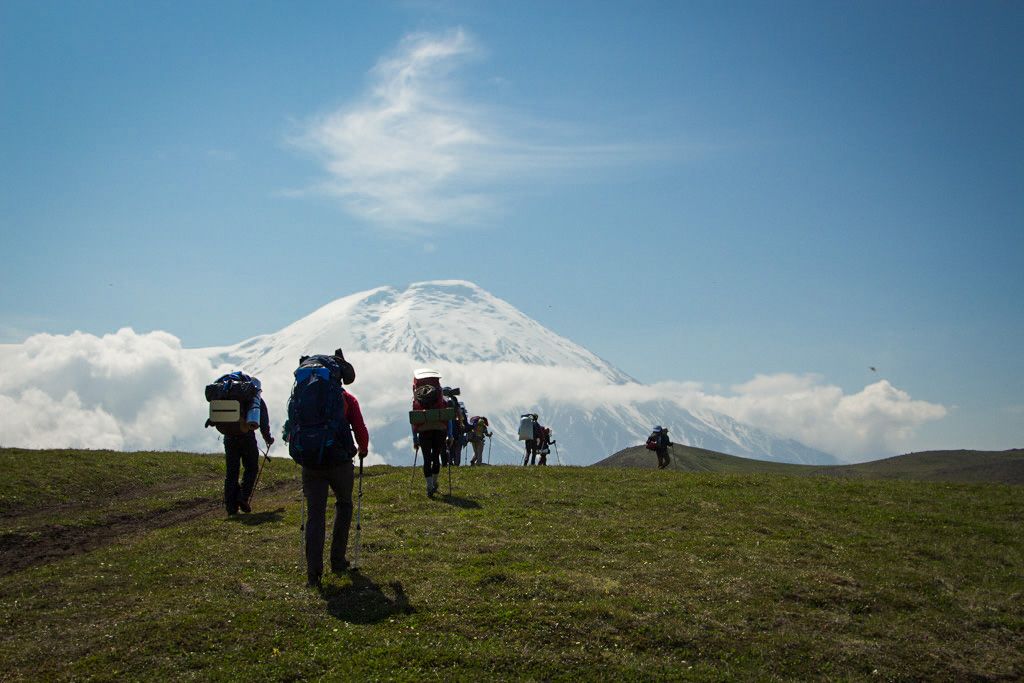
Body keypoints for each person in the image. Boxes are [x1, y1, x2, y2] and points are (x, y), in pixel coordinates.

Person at [287, 349, 368, 588]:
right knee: (344, 504)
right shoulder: (346, 399)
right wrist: (362, 449)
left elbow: (293, 425)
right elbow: (360, 428)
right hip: (339, 462)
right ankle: (338, 560)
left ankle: (314, 573)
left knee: (315, 515)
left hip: (311, 463)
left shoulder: (302, 396)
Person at [220, 381, 274, 515]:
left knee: (231, 472)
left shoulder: (227, 394)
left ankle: (231, 507)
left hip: (229, 437)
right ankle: (243, 497)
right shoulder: (255, 399)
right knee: (251, 467)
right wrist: (268, 438)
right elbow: (263, 421)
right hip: (247, 437)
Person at [411, 369, 453, 496]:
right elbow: (448, 418)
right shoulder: (441, 398)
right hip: (440, 429)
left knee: (426, 459)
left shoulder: (417, 400)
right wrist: (450, 435)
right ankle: (434, 483)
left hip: (424, 431)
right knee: (436, 457)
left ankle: (429, 486)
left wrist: (415, 439)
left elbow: (413, 421)